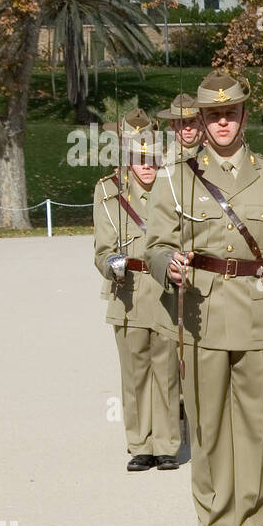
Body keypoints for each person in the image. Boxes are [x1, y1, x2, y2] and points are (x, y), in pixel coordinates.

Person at [145, 71, 263, 526]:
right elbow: (154, 244)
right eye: (212, 115)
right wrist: (166, 263)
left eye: (231, 113)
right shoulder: (177, 178)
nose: (222, 122)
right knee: (210, 429)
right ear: (200, 120)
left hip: (261, 314)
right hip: (201, 316)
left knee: (256, 429)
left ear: (243, 116)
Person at [93, 110, 182, 472]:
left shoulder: (174, 187)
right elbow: (100, 248)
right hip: (128, 292)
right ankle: (140, 444)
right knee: (134, 372)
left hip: (163, 290)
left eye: (152, 159)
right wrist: (109, 264)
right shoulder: (108, 191)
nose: (146, 166)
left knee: (166, 370)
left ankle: (166, 444)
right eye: (138, 159)